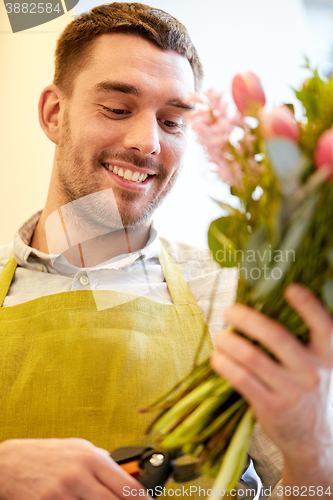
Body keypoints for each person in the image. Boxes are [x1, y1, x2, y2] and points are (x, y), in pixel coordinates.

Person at [0, 3, 332, 499]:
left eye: (173, 121)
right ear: (54, 112)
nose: (146, 142)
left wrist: (313, 449)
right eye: (117, 108)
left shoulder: (240, 299)